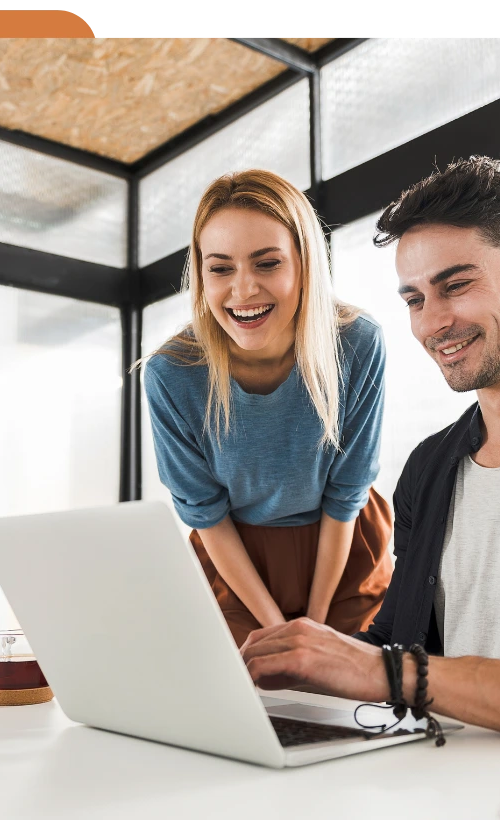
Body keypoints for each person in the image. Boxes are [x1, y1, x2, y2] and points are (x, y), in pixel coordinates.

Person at [241, 156, 500, 744]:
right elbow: (397, 642)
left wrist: (386, 671)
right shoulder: (430, 467)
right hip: (440, 784)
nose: (432, 323)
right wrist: (282, 669)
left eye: (456, 286)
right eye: (413, 299)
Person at [143, 169, 393, 647]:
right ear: (200, 275)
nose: (243, 291)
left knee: (350, 692)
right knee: (251, 699)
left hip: (342, 547)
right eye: (220, 268)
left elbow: (347, 493)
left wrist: (315, 628)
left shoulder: (359, 344)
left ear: (304, 265)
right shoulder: (171, 374)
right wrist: (279, 629)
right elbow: (206, 513)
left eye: (267, 263)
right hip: (236, 561)